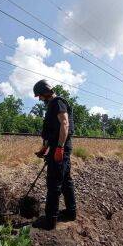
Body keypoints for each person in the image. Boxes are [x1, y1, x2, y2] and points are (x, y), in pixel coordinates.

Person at [32, 80, 76, 230]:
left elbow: (64, 124)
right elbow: (52, 132)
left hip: (61, 148)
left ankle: (50, 220)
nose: (39, 99)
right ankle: (71, 213)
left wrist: (59, 148)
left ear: (45, 92)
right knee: (65, 181)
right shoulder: (53, 105)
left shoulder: (57, 103)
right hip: (59, 147)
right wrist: (43, 149)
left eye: (40, 96)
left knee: (53, 183)